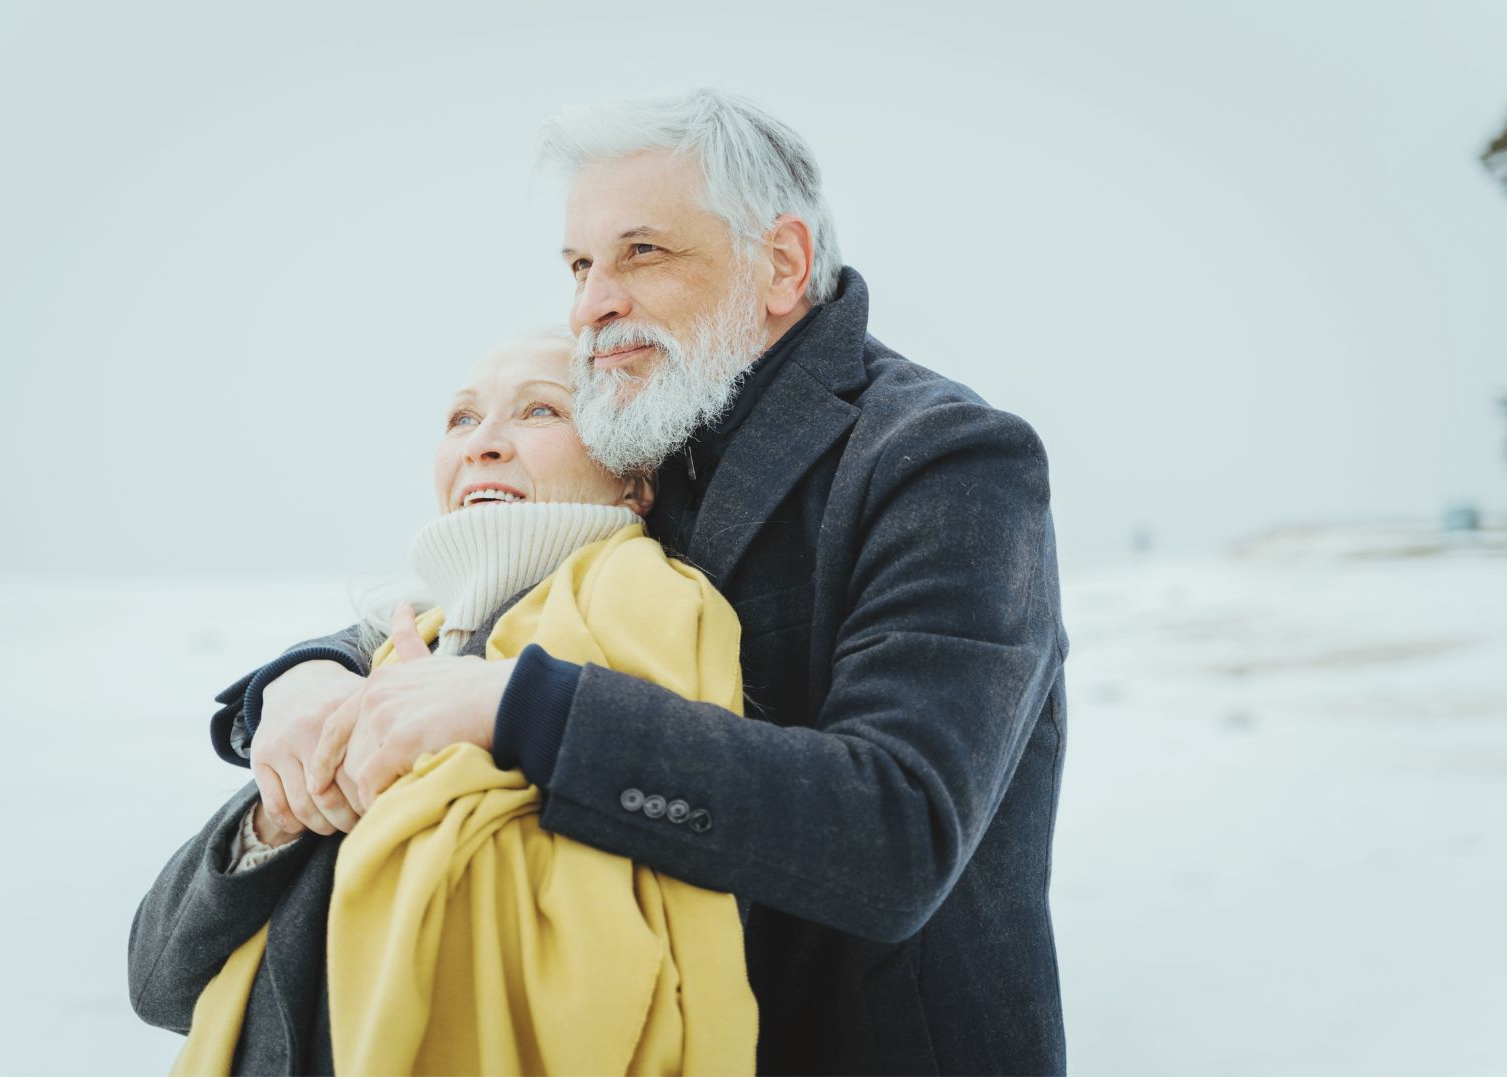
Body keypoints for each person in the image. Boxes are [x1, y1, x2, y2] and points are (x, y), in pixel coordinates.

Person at [217, 89, 1069, 1076]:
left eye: (641, 254)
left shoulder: (943, 459)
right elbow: (475, 596)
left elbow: (898, 831)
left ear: (782, 263)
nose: (591, 307)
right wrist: (302, 679)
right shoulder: (638, 437)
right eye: (580, 265)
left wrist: (518, 708)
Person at [130, 332, 757, 1074]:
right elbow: (159, 981)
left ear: (634, 479)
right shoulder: (397, 651)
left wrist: (439, 769)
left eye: (538, 411)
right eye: (461, 418)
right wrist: (280, 811)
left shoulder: (647, 607)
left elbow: (629, 939)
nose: (482, 443)